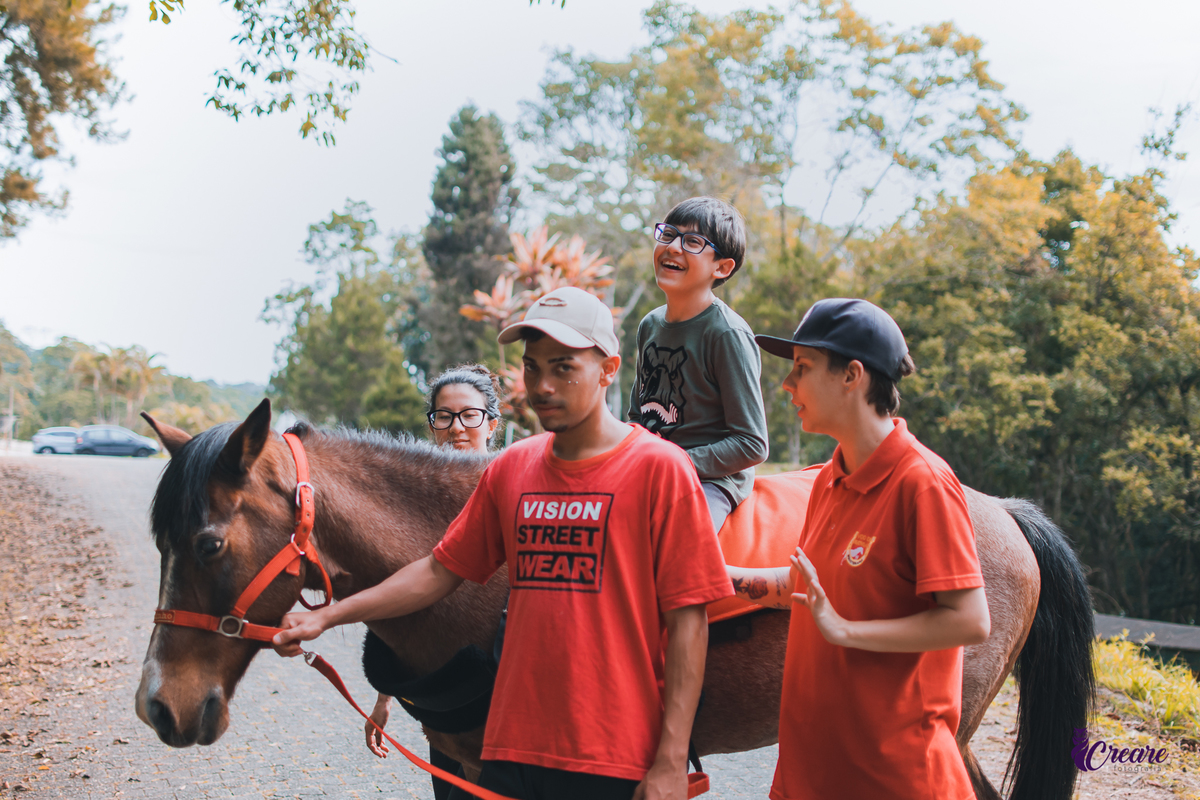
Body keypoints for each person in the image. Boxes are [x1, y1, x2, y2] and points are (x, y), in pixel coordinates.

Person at [274, 287, 733, 800]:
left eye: (564, 368)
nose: (543, 385)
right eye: (532, 367)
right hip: (510, 748)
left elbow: (689, 621)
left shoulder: (660, 469)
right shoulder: (512, 469)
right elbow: (436, 572)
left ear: (607, 370)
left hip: (611, 753)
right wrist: (327, 616)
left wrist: (672, 758)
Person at [726, 298, 990, 800]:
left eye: (801, 369)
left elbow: (971, 619)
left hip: (891, 780)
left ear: (852, 375)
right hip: (810, 775)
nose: (787, 385)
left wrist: (847, 632)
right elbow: (806, 589)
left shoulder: (924, 484)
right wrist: (714, 575)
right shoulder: (830, 477)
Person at [363, 365, 502, 800]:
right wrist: (384, 698)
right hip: (442, 699)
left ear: (492, 424)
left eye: (469, 415)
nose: (456, 428)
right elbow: (403, 608)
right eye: (444, 416)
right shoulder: (417, 507)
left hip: (504, 694)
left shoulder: (515, 485)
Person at [628, 196, 768, 534]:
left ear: (721, 267)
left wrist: (677, 464)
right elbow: (637, 416)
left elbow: (752, 443)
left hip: (710, 480)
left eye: (692, 242)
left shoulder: (726, 334)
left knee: (679, 541)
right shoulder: (650, 325)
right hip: (654, 469)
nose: (673, 247)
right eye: (668, 234)